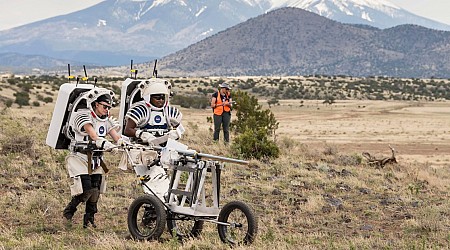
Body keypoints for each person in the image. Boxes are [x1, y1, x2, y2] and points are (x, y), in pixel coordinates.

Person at [63, 88, 122, 228]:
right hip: (79, 157)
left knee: (95, 191)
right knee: (86, 189)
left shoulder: (106, 121)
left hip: (96, 160)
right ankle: (69, 211)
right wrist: (103, 142)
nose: (107, 110)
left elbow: (115, 136)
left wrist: (121, 143)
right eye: (104, 106)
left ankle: (89, 220)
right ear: (96, 104)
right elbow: (92, 134)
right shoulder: (83, 116)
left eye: (109, 107)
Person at [123, 79, 183, 146]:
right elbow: (127, 130)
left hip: (165, 147)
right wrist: (141, 134)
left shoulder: (170, 111)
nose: (160, 100)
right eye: (157, 98)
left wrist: (176, 133)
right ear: (149, 97)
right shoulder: (140, 110)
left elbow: (181, 129)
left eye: (163, 98)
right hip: (142, 147)